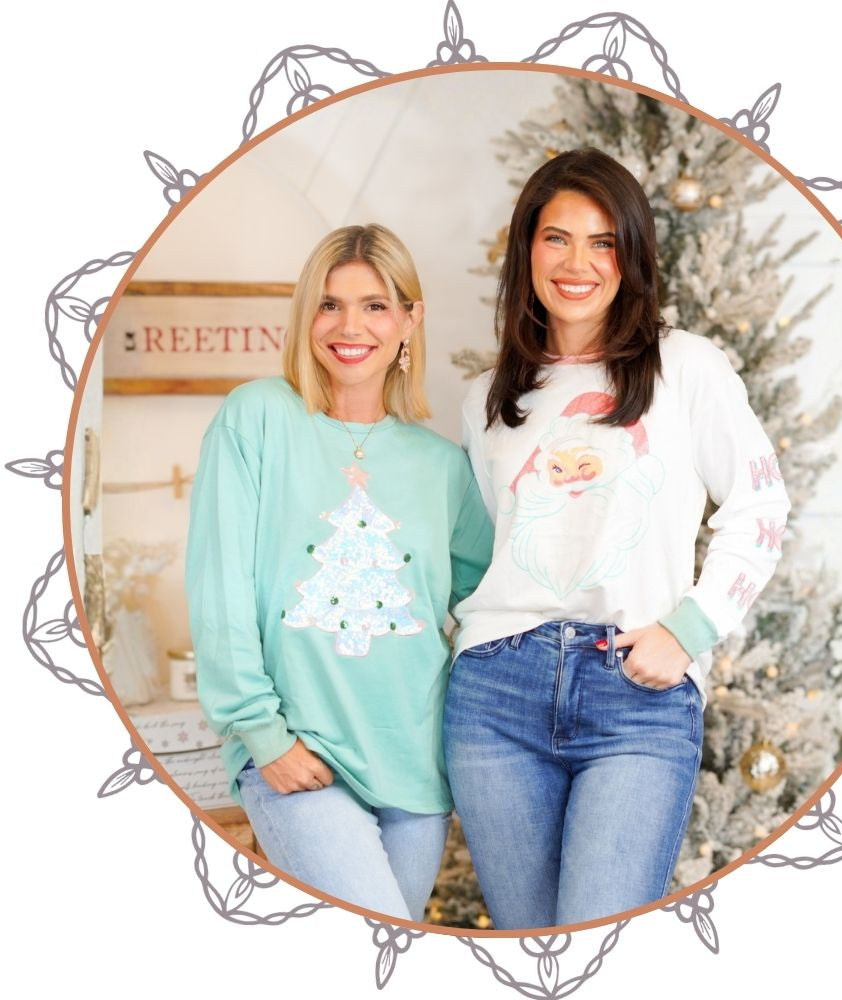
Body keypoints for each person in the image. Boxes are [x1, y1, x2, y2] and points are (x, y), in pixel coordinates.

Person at [444, 148, 790, 930]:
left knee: (602, 945)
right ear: (526, 249)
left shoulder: (687, 368)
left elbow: (761, 505)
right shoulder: (488, 401)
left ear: (632, 257)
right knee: (534, 950)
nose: (577, 263)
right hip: (495, 696)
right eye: (557, 238)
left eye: (604, 242)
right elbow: (480, 556)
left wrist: (688, 629)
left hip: (636, 694)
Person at [186, 224, 494, 923]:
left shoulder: (443, 467)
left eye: (376, 305)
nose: (349, 325)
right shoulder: (256, 420)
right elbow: (219, 586)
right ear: (306, 316)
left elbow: (497, 603)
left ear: (409, 320)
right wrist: (261, 733)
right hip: (298, 757)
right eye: (329, 305)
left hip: (414, 773)